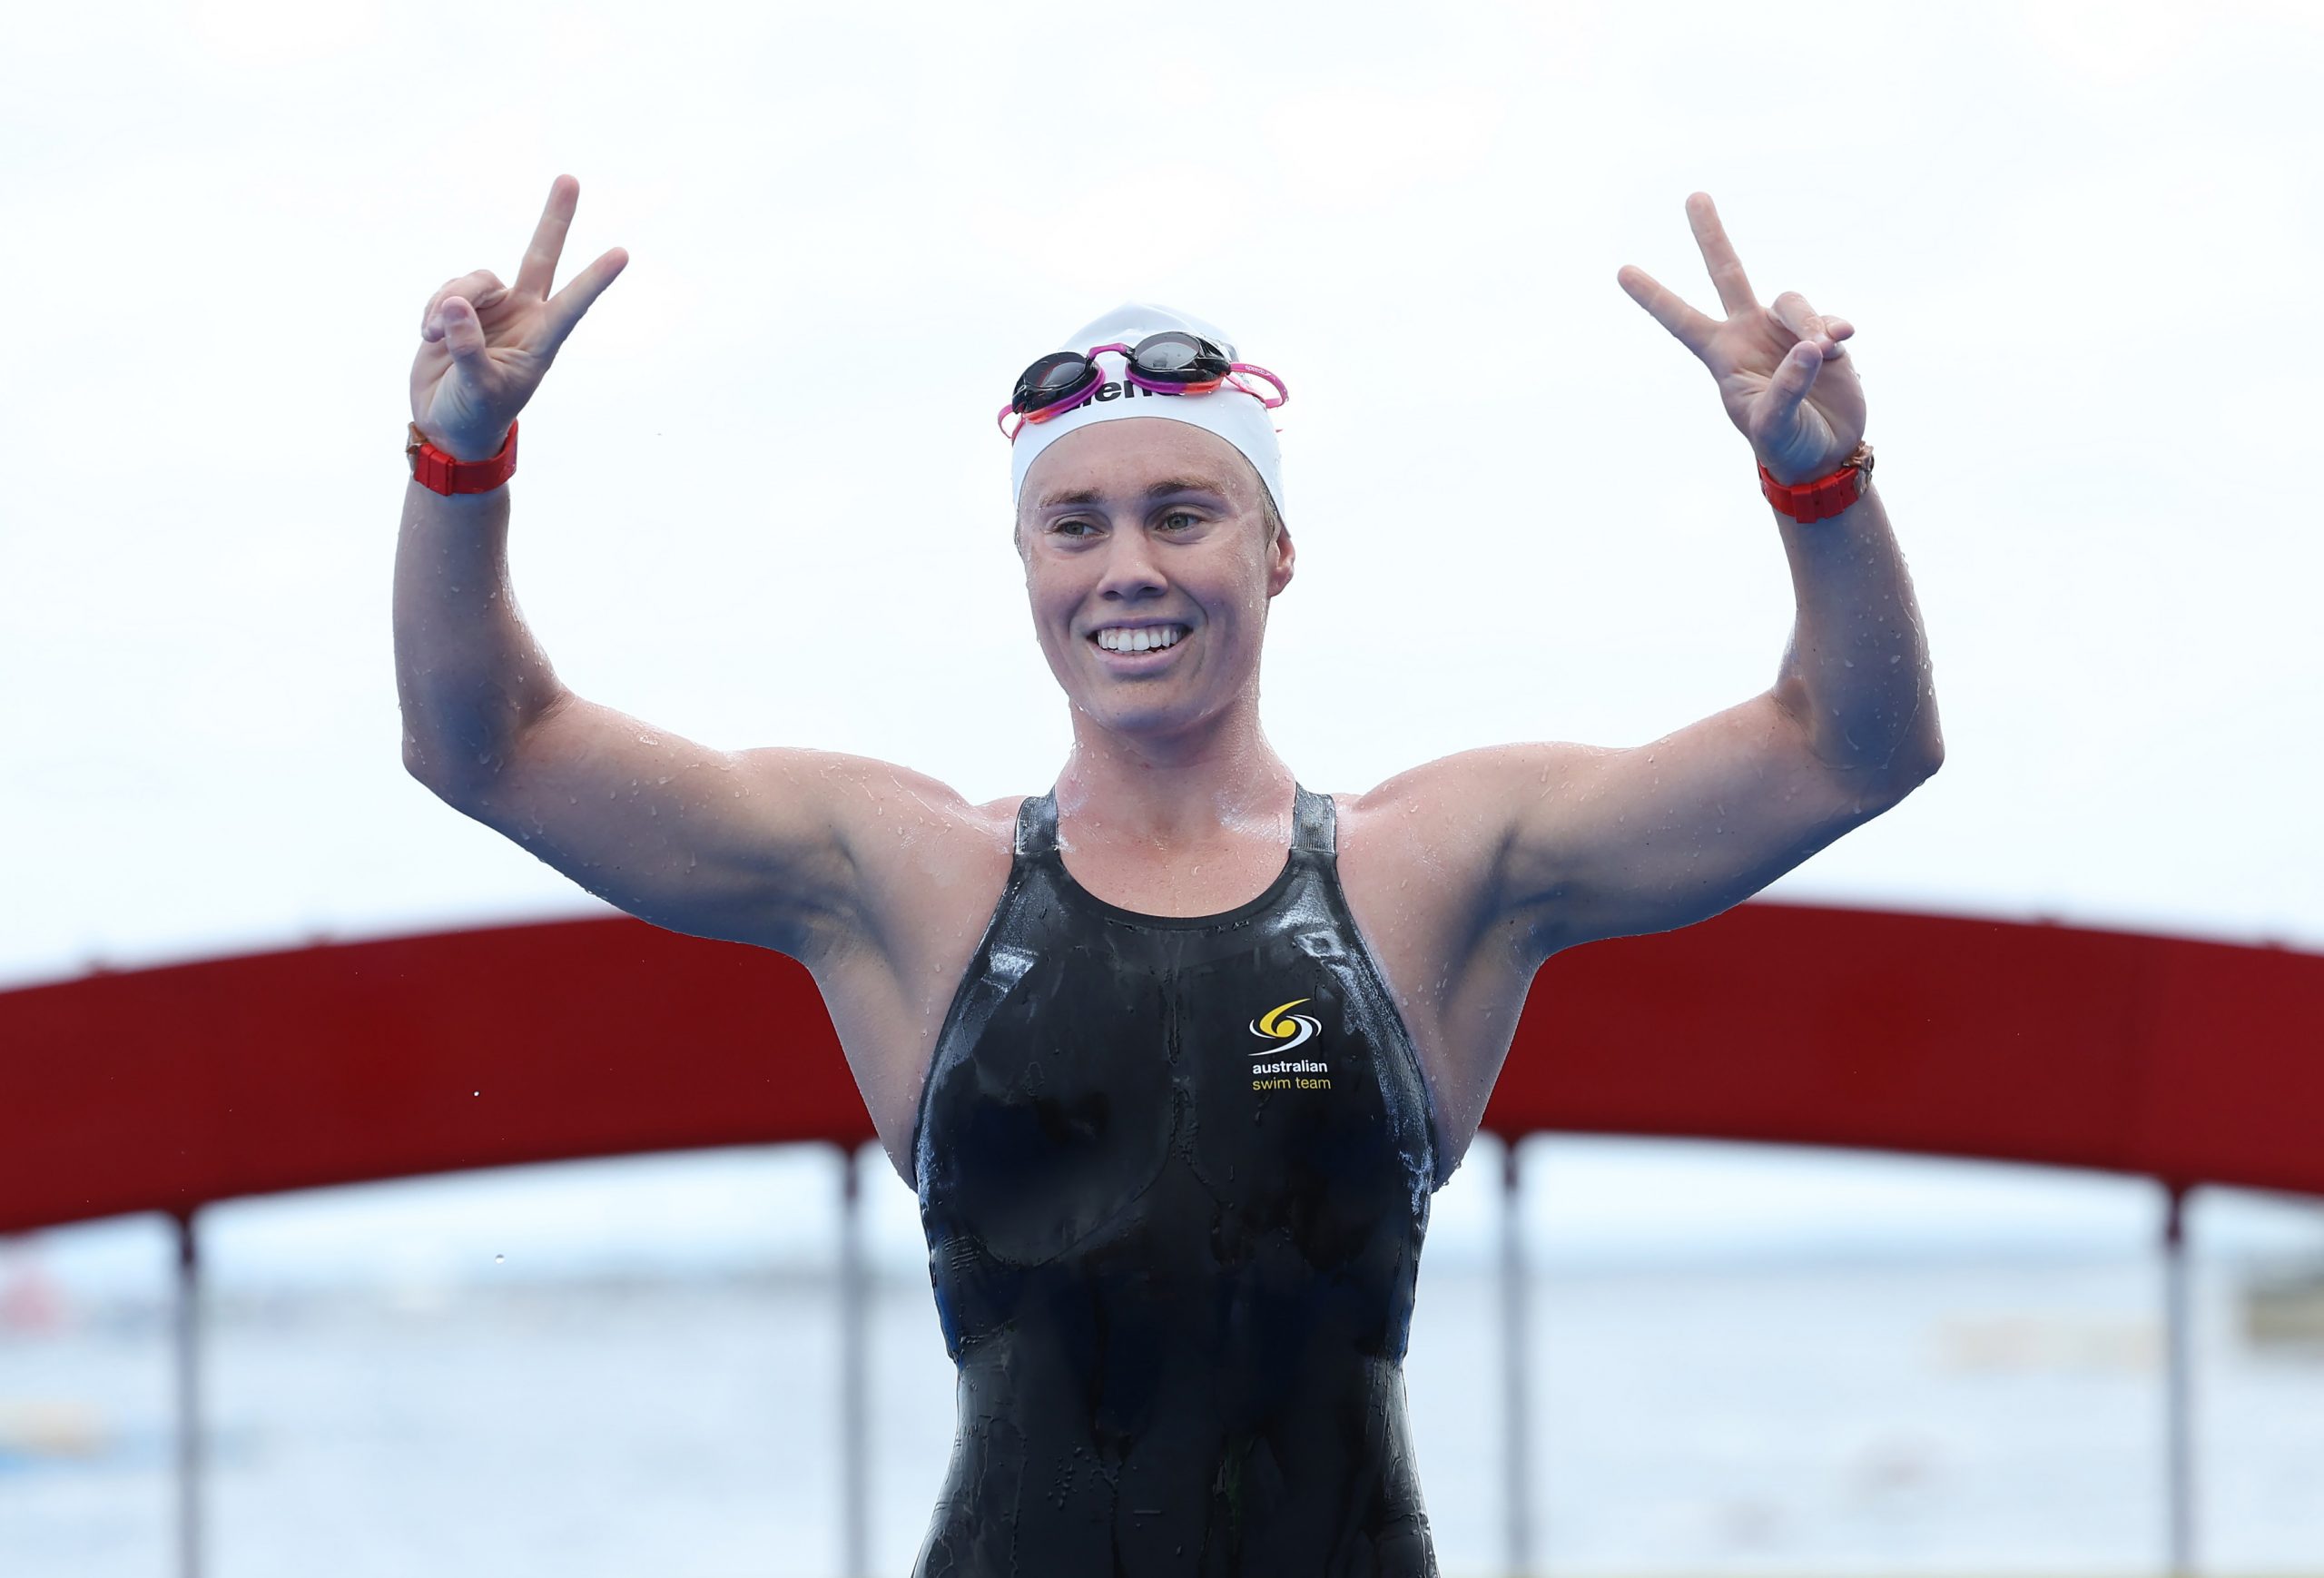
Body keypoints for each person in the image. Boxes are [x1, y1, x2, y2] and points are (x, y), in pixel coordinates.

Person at [395, 174, 1942, 1577]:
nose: (1126, 566)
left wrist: (1822, 487)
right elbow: (490, 746)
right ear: (1029, 565)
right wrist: (461, 464)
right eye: (1075, 524)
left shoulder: (1430, 868)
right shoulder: (908, 877)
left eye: (1181, 515)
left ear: (1277, 551)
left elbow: (1850, 750)